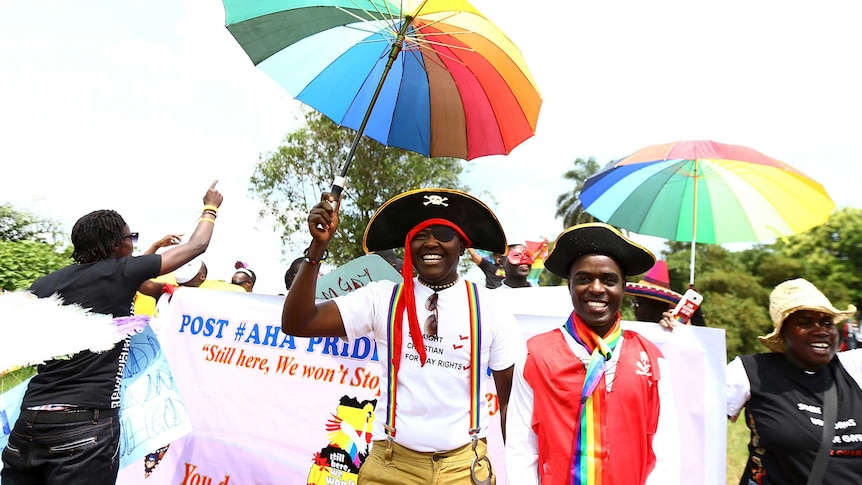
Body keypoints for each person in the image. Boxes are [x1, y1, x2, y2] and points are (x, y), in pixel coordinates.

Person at [282, 188, 525, 485]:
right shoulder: (382, 297)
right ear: (408, 245)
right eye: (420, 235)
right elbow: (298, 322)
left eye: (443, 234)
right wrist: (317, 248)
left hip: (465, 468)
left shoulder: (490, 306)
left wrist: (521, 474)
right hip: (391, 466)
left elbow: (509, 403)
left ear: (462, 245)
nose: (431, 242)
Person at [1, 181, 223, 484]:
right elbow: (196, 246)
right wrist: (210, 207)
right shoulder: (119, 273)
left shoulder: (43, 285)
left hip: (28, 423)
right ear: (115, 245)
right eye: (129, 237)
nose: (132, 244)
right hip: (83, 428)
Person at [506, 222, 680, 484]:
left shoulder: (650, 358)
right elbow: (521, 449)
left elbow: (665, 450)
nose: (597, 288)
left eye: (609, 280)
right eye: (584, 278)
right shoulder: (536, 355)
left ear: (623, 286)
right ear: (569, 286)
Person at [725, 278, 861, 484]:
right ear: (783, 333)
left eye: (827, 323)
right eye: (805, 322)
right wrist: (683, 337)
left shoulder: (854, 367)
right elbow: (693, 421)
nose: (821, 330)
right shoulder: (751, 371)